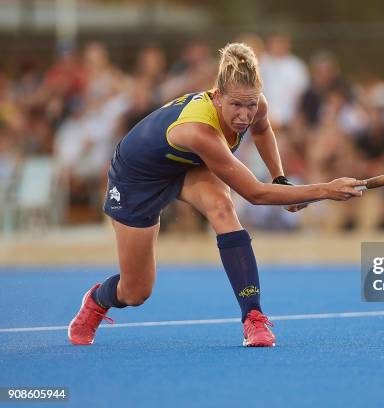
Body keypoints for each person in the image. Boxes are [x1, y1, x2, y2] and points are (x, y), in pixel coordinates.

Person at [67, 42, 365, 347]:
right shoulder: (200, 131)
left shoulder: (254, 104)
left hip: (187, 165)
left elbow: (262, 130)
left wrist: (281, 178)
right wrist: (326, 189)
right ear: (217, 96)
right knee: (136, 292)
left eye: (250, 105)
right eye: (236, 105)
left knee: (222, 207)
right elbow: (255, 194)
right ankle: (96, 300)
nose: (244, 115)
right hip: (137, 179)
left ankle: (254, 318)